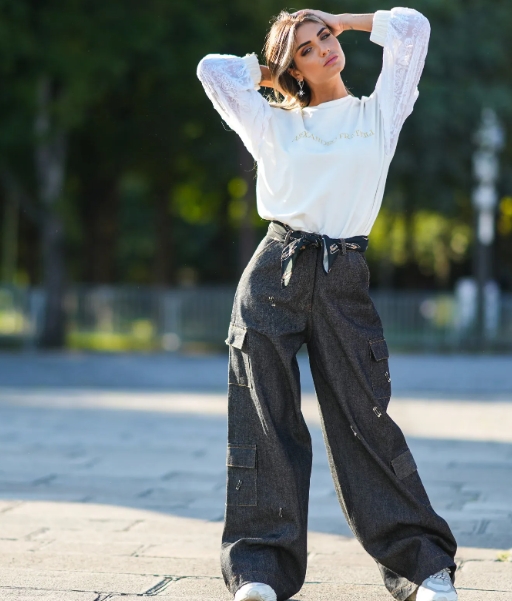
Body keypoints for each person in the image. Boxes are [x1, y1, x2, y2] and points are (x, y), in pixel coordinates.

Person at [196, 7, 458, 601]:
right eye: (310, 48)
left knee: (364, 418)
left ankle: (420, 565)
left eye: (326, 39)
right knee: (265, 420)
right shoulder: (270, 124)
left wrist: (341, 18)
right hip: (273, 274)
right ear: (296, 66)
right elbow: (213, 72)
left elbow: (413, 29)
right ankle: (260, 571)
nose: (326, 49)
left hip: (344, 276)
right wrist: (277, 74)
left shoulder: (379, 112)